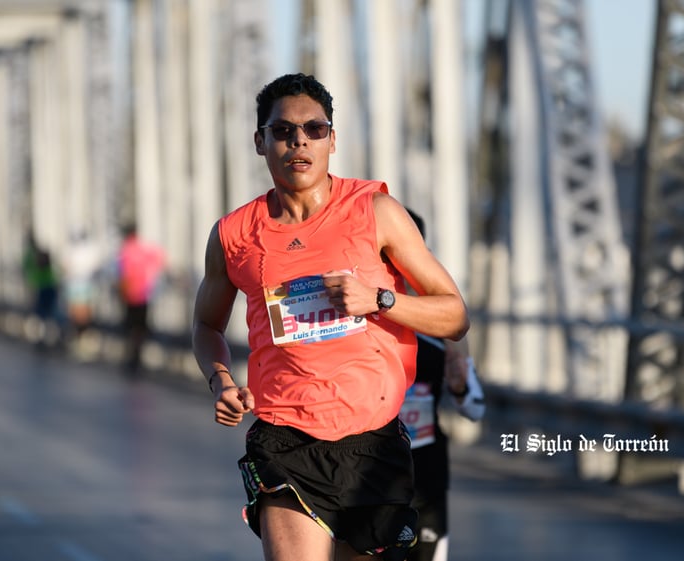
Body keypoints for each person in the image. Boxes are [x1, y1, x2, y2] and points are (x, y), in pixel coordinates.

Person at [192, 73, 469, 561]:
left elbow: (455, 315)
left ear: (332, 140)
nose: (299, 140)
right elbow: (207, 325)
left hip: (373, 441)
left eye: (314, 130)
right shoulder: (234, 234)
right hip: (284, 439)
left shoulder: (376, 211)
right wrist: (221, 381)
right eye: (282, 131)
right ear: (260, 142)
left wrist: (380, 300)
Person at [399, 209, 485, 561]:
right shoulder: (352, 316)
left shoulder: (441, 321)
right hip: (365, 467)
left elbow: (475, 409)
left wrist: (461, 384)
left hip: (425, 472)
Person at [117, 223, 165, 375]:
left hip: (129, 294)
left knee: (130, 328)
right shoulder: (144, 248)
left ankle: (132, 359)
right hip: (143, 294)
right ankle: (137, 359)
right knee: (140, 328)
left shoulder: (125, 250)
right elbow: (160, 259)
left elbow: (120, 273)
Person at [61, 230, 103, 357]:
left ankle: (81, 339)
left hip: (77, 286)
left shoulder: (70, 250)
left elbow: (65, 266)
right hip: (85, 285)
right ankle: (81, 339)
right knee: (83, 313)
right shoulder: (90, 250)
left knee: (78, 314)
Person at [22, 230, 61, 348]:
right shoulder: (49, 272)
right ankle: (50, 337)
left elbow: (30, 277)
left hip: (42, 291)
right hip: (49, 290)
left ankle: (42, 338)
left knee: (41, 315)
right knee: (49, 315)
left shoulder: (38, 270)